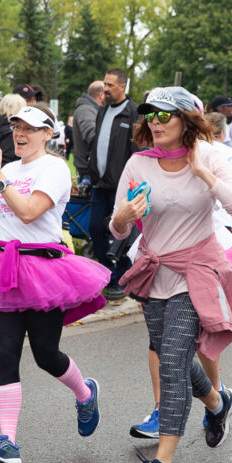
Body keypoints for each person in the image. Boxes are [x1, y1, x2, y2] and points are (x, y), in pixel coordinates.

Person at [111, 87, 232, 463]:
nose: (155, 122)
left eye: (164, 115)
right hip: (154, 270)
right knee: (173, 352)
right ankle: (217, 403)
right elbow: (117, 228)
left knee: (171, 360)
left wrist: (205, 175)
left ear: (187, 120)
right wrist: (123, 217)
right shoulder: (138, 163)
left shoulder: (209, 156)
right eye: (150, 115)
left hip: (197, 271)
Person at [0, 103, 109, 463]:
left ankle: (84, 392)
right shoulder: (7, 169)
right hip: (3, 265)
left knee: (46, 355)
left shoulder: (55, 168)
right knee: (6, 352)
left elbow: (29, 211)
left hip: (44, 270)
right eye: (16, 125)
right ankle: (8, 441)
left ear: (48, 133)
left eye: (29, 127)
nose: (20, 132)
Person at [88, 68, 138, 300]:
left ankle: (121, 278)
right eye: (104, 84)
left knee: (122, 235)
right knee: (95, 228)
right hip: (100, 184)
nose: (105, 89)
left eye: (109, 85)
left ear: (123, 87)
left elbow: (138, 153)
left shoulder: (133, 113)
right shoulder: (103, 110)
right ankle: (109, 274)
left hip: (122, 187)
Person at [72, 80, 104, 185]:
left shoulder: (91, 109)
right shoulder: (86, 110)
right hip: (88, 172)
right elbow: (92, 135)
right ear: (101, 95)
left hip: (91, 170)